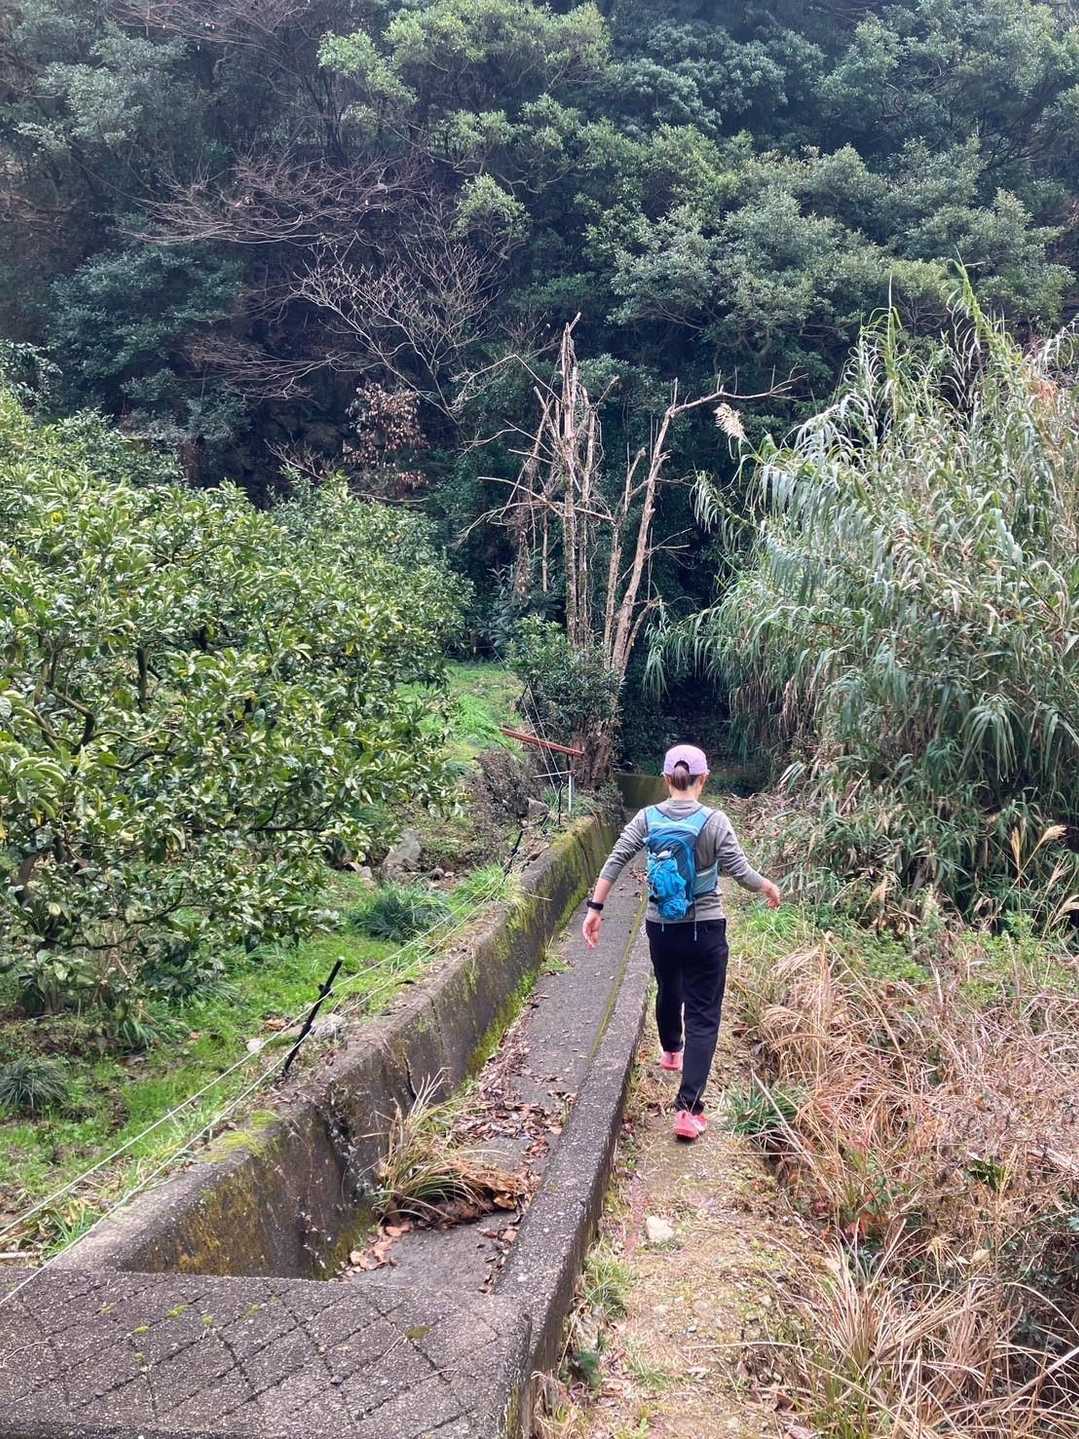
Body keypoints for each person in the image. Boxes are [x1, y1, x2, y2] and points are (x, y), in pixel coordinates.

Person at [582, 744, 781, 1141]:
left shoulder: (647, 818)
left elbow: (616, 859)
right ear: (703, 779)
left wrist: (595, 908)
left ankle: (671, 1051)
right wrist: (767, 886)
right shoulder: (715, 821)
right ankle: (688, 1111)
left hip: (662, 926)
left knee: (668, 986)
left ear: (666, 779)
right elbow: (740, 872)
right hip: (706, 928)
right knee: (703, 1015)